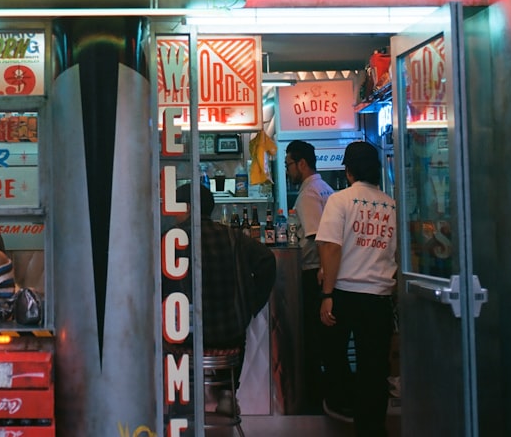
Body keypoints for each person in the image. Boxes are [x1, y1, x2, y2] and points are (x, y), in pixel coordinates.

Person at [168, 182, 276, 416]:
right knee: (238, 333)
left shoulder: (172, 240)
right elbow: (267, 260)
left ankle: (181, 396)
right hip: (228, 339)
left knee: (167, 336)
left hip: (185, 339)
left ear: (186, 207)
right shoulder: (234, 237)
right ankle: (228, 392)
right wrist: (252, 304)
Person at [316, 141, 397, 437]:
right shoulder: (390, 204)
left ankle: (343, 407)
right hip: (379, 297)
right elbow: (396, 254)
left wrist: (327, 294)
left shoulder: (341, 200)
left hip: (344, 295)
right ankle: (372, 429)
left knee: (334, 355)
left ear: (348, 170)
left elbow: (331, 248)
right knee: (374, 370)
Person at [284, 139, 344, 417]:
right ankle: (334, 396)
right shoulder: (326, 189)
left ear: (302, 164)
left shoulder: (308, 194)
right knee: (329, 341)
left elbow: (318, 238)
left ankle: (320, 400)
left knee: (314, 341)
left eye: (288, 165)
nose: (287, 171)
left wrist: (324, 278)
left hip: (315, 276)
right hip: (329, 275)